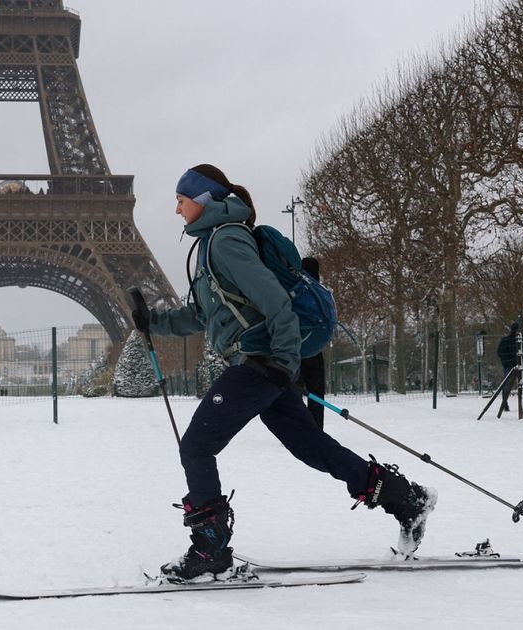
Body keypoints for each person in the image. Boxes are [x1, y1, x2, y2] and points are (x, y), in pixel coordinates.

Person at [135, 164, 436, 582]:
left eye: (181, 200)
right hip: (264, 365)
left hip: (259, 364)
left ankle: (211, 550)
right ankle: (405, 498)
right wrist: (153, 321)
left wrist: (283, 360)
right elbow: (203, 314)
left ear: (203, 200)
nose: (176, 209)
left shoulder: (226, 240)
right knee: (310, 446)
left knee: (197, 445)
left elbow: (274, 300)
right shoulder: (210, 245)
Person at [298, 257, 326, 430]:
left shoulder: (296, 288)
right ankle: (316, 430)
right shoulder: (321, 292)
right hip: (316, 349)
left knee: (295, 393)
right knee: (317, 395)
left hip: (296, 349)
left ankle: (297, 430)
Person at [495, 322, 523, 412]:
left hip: (520, 365)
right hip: (510, 366)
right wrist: (508, 361)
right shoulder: (507, 340)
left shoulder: (522, 339)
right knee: (507, 385)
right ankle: (505, 403)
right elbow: (500, 352)